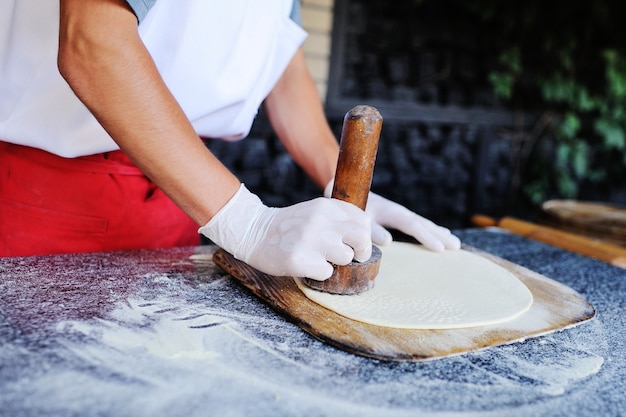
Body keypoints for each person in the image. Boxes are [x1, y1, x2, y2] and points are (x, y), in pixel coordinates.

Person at [0, 0, 460, 280]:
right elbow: (93, 45)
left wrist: (344, 188)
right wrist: (249, 222)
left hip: (184, 199)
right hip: (48, 201)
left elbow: (285, 64)